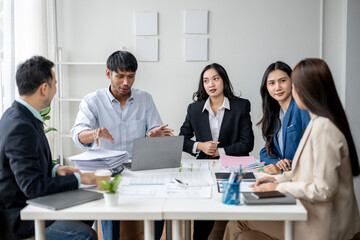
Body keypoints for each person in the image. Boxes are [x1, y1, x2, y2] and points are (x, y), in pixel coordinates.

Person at [223, 58, 360, 240]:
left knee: (238, 221)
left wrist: (279, 185)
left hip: (323, 225)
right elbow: (303, 170)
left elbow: (324, 189)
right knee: (244, 232)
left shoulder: (323, 128)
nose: (289, 91)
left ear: (306, 90)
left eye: (292, 86)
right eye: (272, 83)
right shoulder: (318, 123)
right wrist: (275, 179)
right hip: (314, 213)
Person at [70, 50, 173, 240]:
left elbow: (155, 135)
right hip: (106, 172)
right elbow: (77, 135)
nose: (126, 82)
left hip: (139, 169)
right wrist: (92, 133)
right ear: (108, 74)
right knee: (109, 201)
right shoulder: (92, 101)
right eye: (120, 76)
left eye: (131, 76)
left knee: (161, 200)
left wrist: (155, 136)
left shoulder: (145, 99)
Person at [0, 56, 97, 240]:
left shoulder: (19, 115)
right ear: (44, 88)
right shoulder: (20, 126)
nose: (55, 90)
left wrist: (55, 169)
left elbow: (25, 167)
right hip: (21, 217)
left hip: (30, 203)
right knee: (86, 236)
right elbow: (33, 186)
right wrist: (81, 178)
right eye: (55, 84)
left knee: (87, 212)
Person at [179, 63, 254, 239]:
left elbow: (247, 143)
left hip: (232, 168)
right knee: (202, 217)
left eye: (215, 79)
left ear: (224, 81)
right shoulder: (195, 109)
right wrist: (200, 146)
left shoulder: (241, 106)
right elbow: (181, 140)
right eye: (206, 81)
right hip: (203, 168)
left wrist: (220, 152)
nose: (211, 84)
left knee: (237, 209)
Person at [258, 61, 310, 175]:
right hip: (286, 179)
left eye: (282, 81)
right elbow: (265, 151)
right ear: (266, 87)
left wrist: (284, 168)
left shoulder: (301, 108)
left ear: (292, 81)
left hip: (303, 178)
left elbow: (313, 151)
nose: (278, 87)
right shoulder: (275, 114)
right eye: (271, 83)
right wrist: (277, 163)